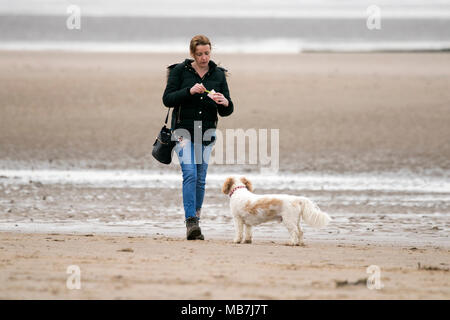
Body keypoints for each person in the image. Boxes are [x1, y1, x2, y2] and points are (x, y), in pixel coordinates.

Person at [162, 35, 234, 240]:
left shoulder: (218, 74)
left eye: (207, 53)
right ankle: (190, 222)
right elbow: (167, 99)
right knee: (190, 174)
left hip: (206, 133)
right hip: (183, 132)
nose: (204, 58)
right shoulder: (179, 71)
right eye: (200, 54)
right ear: (192, 53)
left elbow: (227, 110)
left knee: (201, 180)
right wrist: (189, 91)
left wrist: (225, 102)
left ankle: (197, 219)